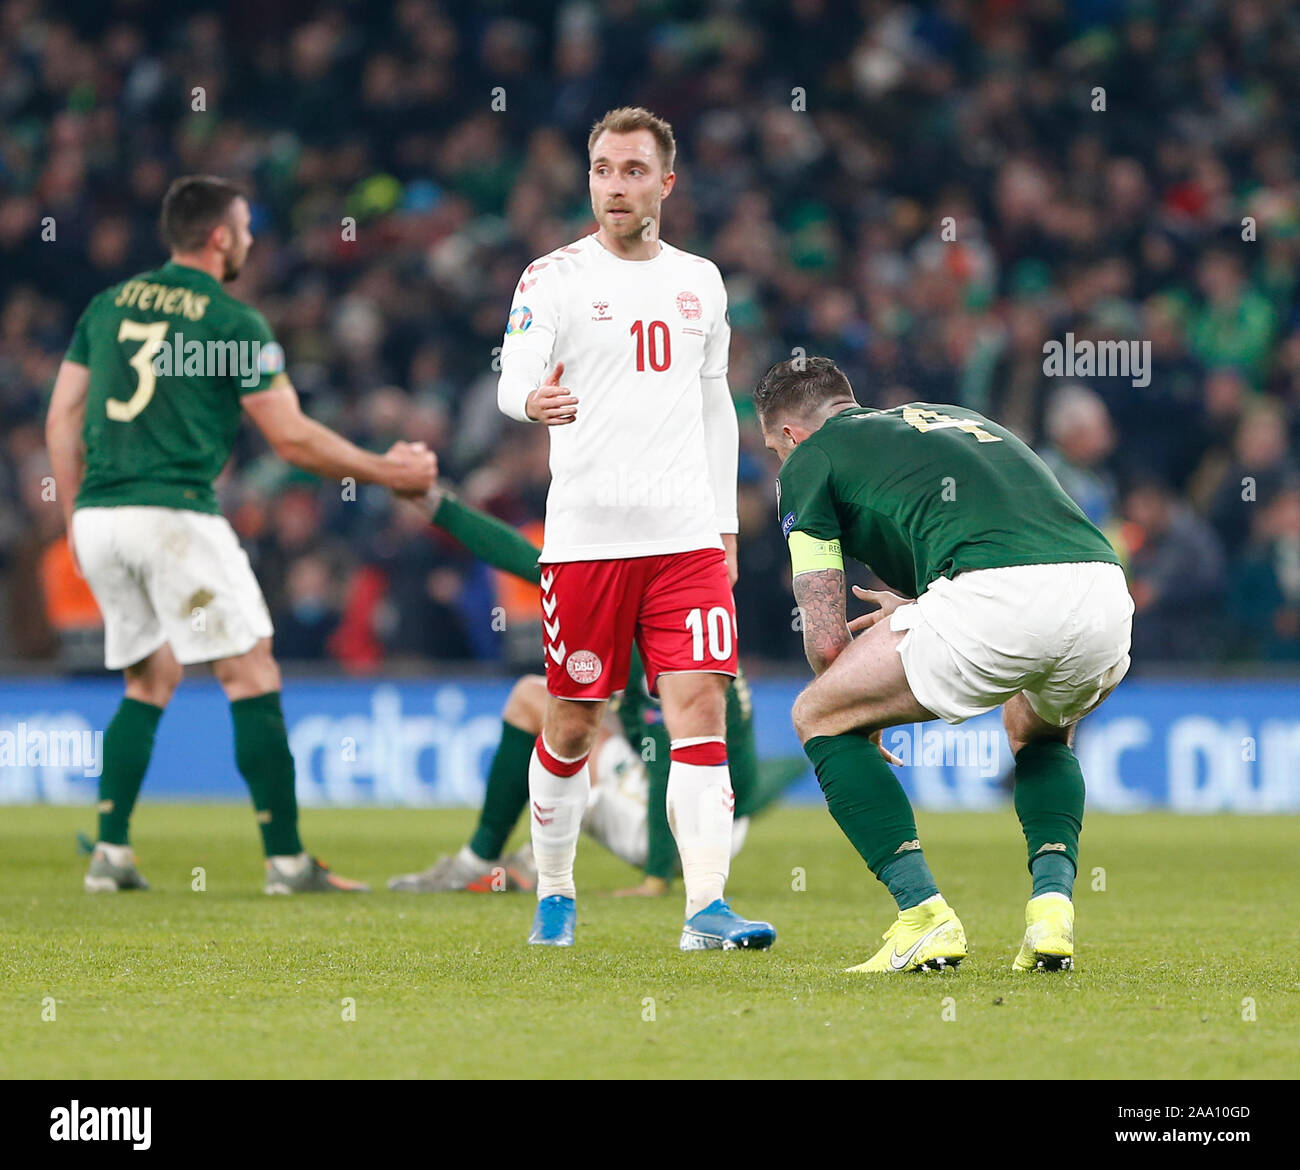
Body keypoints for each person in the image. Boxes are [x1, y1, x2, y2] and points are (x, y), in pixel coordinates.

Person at [44, 175, 436, 894]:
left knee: (150, 675)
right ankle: (287, 863)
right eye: (246, 229)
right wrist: (385, 471)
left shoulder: (107, 306)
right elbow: (290, 440)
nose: (252, 241)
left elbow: (62, 416)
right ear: (220, 237)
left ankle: (110, 853)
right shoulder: (232, 323)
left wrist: (74, 517)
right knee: (250, 670)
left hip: (100, 519)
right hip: (173, 519)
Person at [495, 106, 773, 949]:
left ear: (666, 183)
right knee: (575, 720)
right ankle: (553, 889)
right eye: (604, 170)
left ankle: (704, 911)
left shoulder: (701, 281)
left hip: (683, 538)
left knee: (700, 707)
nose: (616, 186)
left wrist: (723, 523)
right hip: (587, 541)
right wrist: (528, 401)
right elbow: (514, 373)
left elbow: (714, 406)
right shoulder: (552, 277)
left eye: (633, 171)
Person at [754, 357, 1133, 973]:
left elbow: (824, 642)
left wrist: (860, 706)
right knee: (1037, 731)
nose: (781, 461)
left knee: (819, 715)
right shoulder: (951, 420)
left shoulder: (809, 459)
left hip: (999, 598)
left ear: (792, 435)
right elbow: (1001, 530)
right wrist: (921, 607)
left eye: (775, 449)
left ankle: (923, 917)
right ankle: (1052, 909)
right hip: (1103, 592)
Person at [386, 485, 807, 892]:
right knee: (539, 700)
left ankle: (519, 863)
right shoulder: (671, 590)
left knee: (567, 731)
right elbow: (522, 558)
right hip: (715, 807)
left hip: (692, 828)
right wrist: (437, 505)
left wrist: (656, 879)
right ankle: (499, 862)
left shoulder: (650, 620)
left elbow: (665, 754)